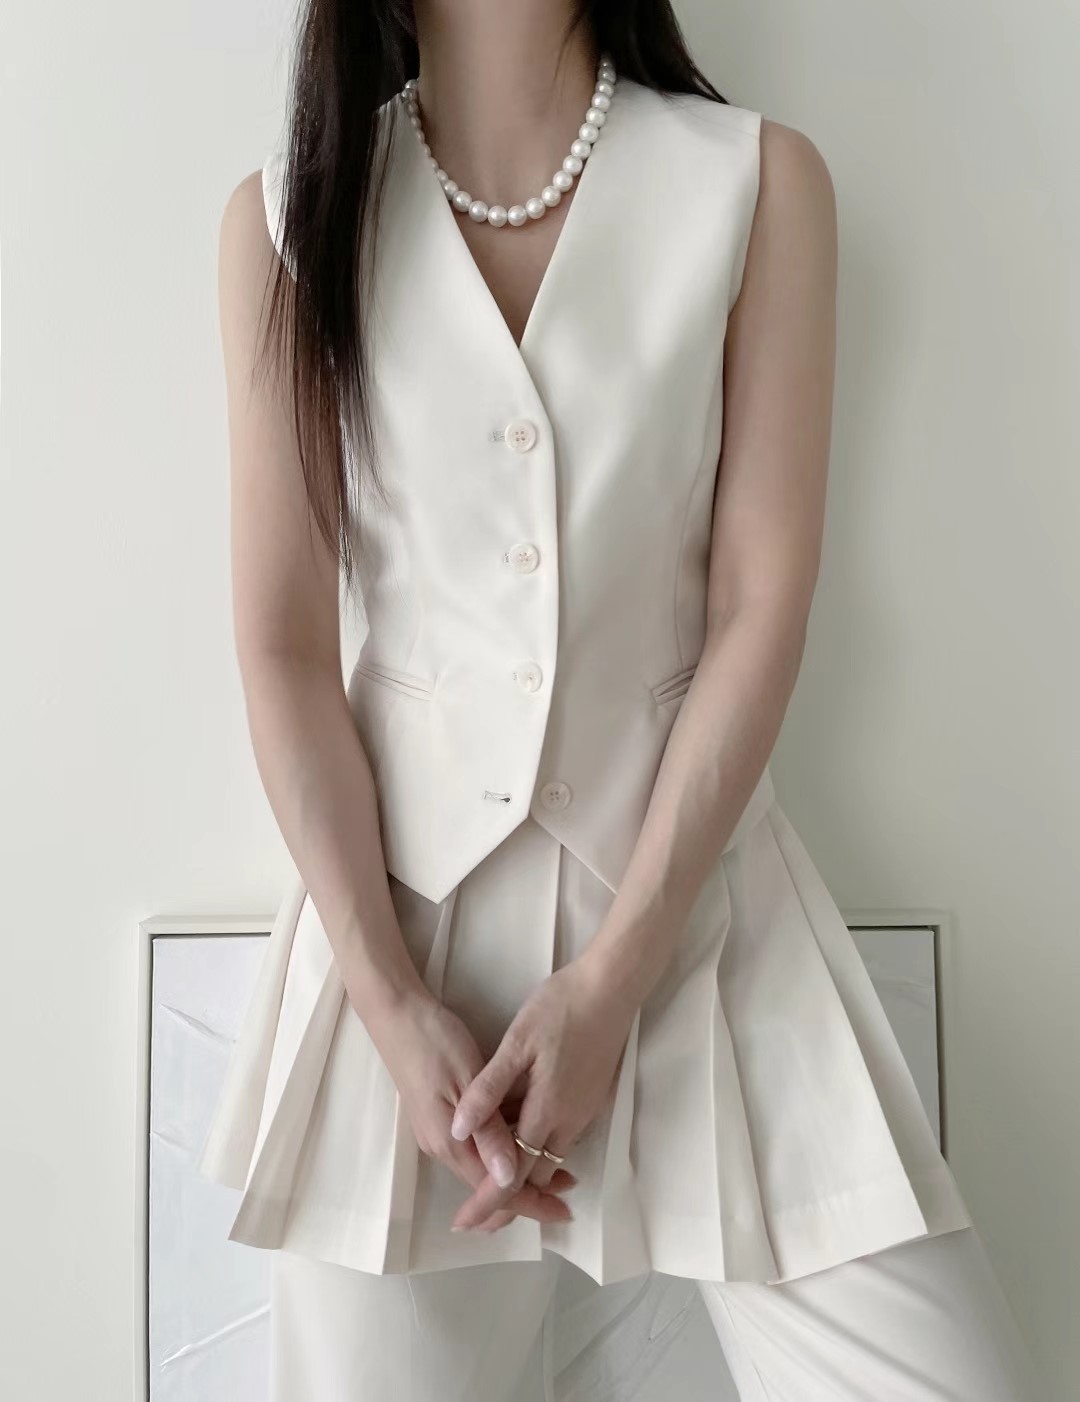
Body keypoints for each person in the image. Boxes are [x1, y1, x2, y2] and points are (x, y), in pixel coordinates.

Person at [197, 4, 1043, 1397]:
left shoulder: (756, 184)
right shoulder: (291, 220)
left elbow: (759, 607)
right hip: (399, 974)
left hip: (702, 923)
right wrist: (388, 999)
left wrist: (619, 974)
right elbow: (282, 645)